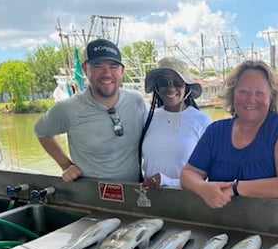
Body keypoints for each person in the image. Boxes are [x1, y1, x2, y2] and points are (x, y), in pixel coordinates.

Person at [180, 59, 278, 208]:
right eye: (243, 92)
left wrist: (235, 188)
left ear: (271, 97)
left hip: (273, 227)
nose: (251, 99)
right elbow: (188, 174)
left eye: (259, 93)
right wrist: (202, 188)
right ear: (232, 95)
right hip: (220, 224)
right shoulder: (216, 131)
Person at [34, 38, 149, 182]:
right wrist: (65, 165)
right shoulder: (68, 109)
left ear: (122, 70)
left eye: (113, 66)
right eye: (97, 66)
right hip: (91, 195)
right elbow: (41, 131)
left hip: (134, 192)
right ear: (84, 69)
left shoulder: (136, 101)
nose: (106, 73)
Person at [140, 57, 211, 189]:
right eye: (163, 82)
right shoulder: (148, 117)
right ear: (157, 87)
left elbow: (208, 178)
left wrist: (167, 181)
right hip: (149, 201)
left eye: (178, 83)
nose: (171, 88)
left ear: (186, 87)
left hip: (187, 202)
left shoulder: (202, 121)